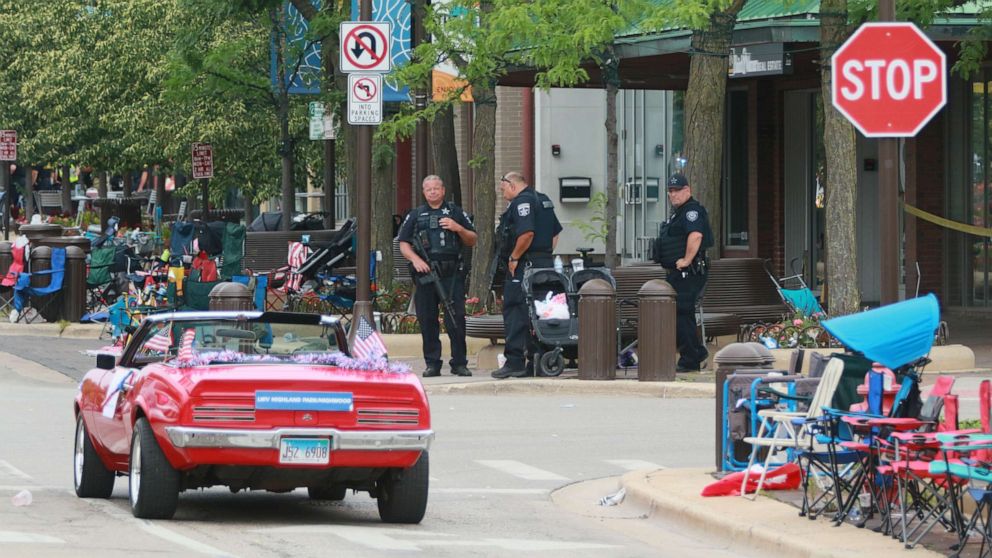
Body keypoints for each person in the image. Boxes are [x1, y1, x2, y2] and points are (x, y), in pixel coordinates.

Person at [397, 175, 477, 378]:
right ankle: (432, 363)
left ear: (443, 190)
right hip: (426, 275)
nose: (432, 192)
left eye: (436, 188)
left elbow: (472, 239)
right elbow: (403, 243)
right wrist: (416, 260)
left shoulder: (455, 212)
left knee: (456, 318)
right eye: (428, 189)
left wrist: (458, 227)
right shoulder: (416, 215)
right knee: (428, 320)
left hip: (451, 276)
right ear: (424, 192)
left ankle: (459, 363)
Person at [491, 171, 562, 379]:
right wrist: (544, 255)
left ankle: (515, 362)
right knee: (540, 311)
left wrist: (515, 258)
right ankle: (538, 359)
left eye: (503, 189)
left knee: (515, 311)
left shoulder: (522, 203)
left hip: (524, 265)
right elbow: (555, 233)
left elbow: (527, 233)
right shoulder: (543, 200)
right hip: (544, 265)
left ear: (511, 185)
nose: (503, 194)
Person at [654, 173, 713, 372]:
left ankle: (690, 360)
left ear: (687, 190)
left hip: (690, 271)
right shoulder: (678, 213)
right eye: (670, 191)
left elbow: (696, 236)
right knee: (680, 313)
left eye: (677, 190)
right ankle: (696, 351)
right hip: (678, 273)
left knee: (682, 312)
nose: (673, 194)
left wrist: (686, 260)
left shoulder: (692, 211)